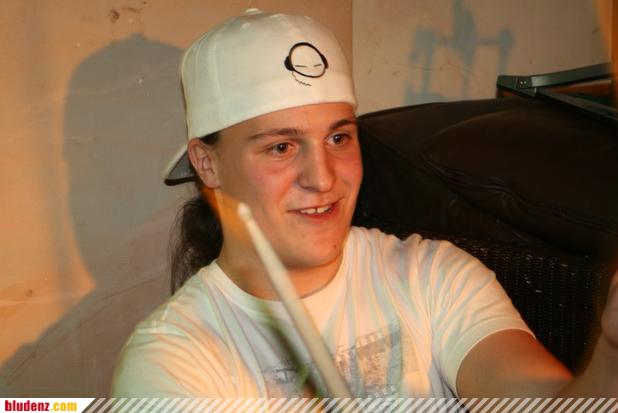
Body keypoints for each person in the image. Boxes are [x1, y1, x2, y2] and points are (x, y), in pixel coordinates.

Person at [111, 8, 618, 399]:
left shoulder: (432, 276)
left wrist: (612, 353)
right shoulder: (171, 362)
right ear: (208, 164)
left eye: (338, 138)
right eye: (282, 147)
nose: (323, 178)